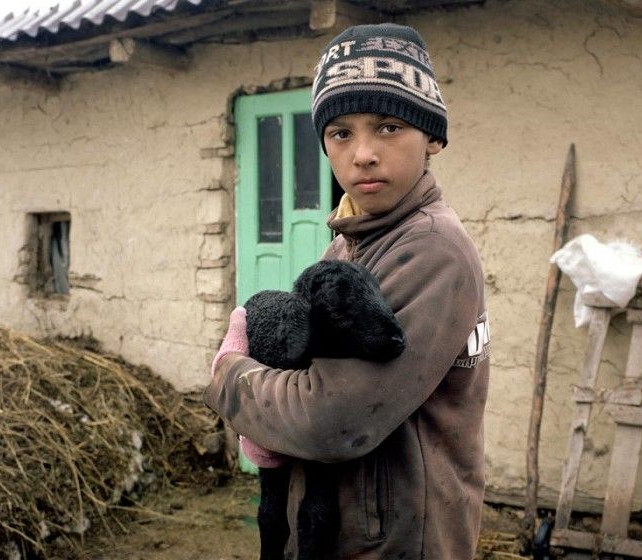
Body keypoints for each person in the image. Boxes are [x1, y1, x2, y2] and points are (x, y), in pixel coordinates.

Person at [204, 23, 490, 560]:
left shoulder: (430, 250)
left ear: (432, 137)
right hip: (342, 531)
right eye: (340, 133)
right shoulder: (348, 245)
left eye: (387, 127)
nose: (362, 154)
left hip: (397, 541)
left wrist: (229, 376)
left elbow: (332, 423)